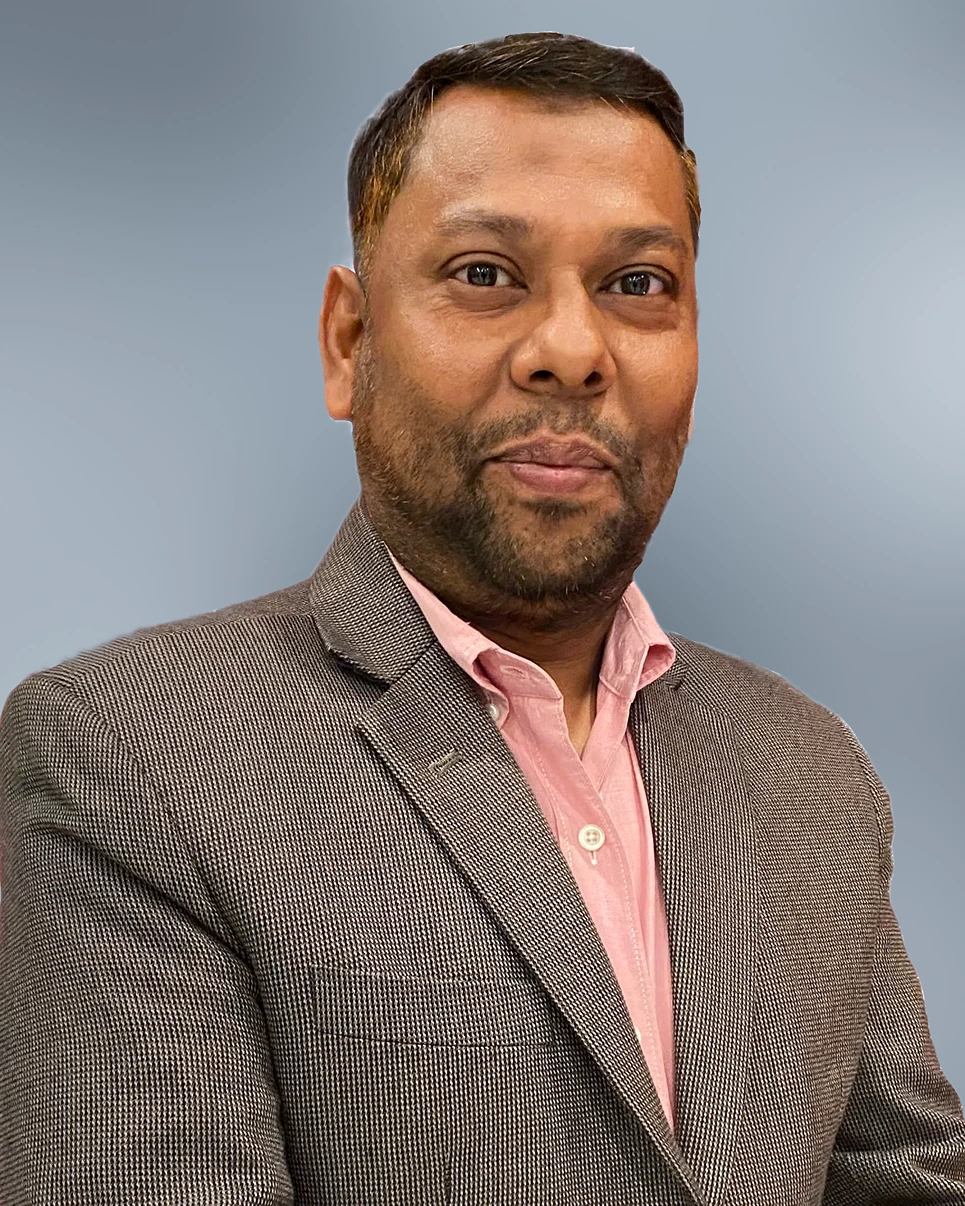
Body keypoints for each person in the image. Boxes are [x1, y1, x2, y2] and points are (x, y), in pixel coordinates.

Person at [0, 29, 962, 1206]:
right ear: (349, 340)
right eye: (485, 276)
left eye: (637, 286)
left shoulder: (812, 771)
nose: (570, 351)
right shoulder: (128, 756)